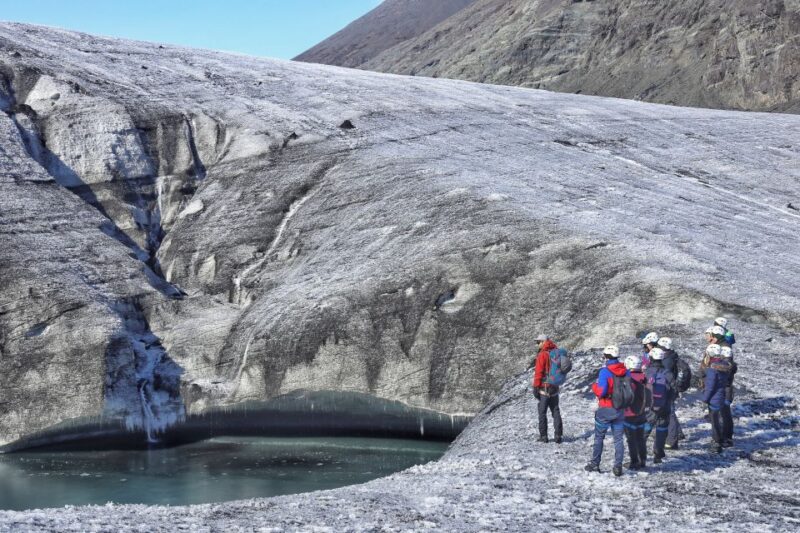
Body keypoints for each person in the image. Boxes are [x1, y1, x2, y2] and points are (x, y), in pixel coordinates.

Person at [585, 345, 629, 476]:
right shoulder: (625, 371)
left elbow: (601, 391)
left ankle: (595, 464)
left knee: (599, 437)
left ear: (606, 356)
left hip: (606, 408)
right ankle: (618, 466)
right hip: (620, 408)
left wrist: (594, 386)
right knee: (618, 439)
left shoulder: (605, 371)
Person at [645, 347, 675, 464]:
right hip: (664, 406)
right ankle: (658, 454)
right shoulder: (668, 373)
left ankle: (638, 456)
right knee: (661, 429)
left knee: (645, 430)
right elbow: (673, 391)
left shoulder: (647, 372)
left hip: (650, 408)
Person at [532, 334, 563, 444]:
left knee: (542, 412)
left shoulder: (542, 354)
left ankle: (544, 436)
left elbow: (538, 372)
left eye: (538, 342)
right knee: (555, 411)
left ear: (543, 342)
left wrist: (535, 387)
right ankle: (558, 435)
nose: (537, 344)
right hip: (555, 386)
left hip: (544, 388)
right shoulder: (557, 352)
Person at [701, 344, 732, 453]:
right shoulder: (724, 367)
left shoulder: (712, 370)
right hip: (720, 396)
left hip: (714, 398)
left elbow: (710, 387)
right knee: (719, 419)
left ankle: (717, 442)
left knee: (715, 422)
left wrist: (705, 399)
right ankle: (722, 439)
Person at [657, 337, 685, 449]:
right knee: (670, 413)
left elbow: (665, 376)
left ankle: (672, 440)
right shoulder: (671, 356)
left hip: (667, 390)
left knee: (670, 414)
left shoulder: (666, 361)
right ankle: (676, 434)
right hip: (670, 389)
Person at [623, 354, 649, 470]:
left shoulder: (628, 378)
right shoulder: (644, 376)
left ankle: (634, 462)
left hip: (629, 413)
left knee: (631, 439)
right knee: (640, 438)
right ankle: (643, 460)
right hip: (642, 412)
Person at [719, 346, 737, 447]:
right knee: (726, 415)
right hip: (727, 392)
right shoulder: (730, 364)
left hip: (725, 392)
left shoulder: (727, 365)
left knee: (725, 416)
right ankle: (727, 436)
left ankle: (726, 437)